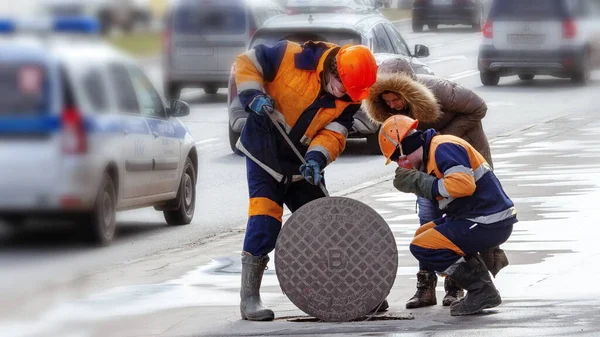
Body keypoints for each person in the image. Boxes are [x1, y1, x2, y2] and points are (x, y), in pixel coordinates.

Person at [234, 40, 378, 321]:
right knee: (265, 220)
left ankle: (351, 290)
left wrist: (317, 158)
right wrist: (253, 94)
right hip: (264, 152)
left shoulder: (349, 96)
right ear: (333, 72)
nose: (347, 95)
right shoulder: (289, 56)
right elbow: (246, 62)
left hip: (301, 161)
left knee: (325, 225)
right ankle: (249, 298)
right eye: (344, 88)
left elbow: (334, 134)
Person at [363, 56, 508, 309]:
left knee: (453, 227)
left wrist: (443, 140)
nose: (394, 105)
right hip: (430, 162)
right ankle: (426, 288)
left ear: (410, 89)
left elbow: (479, 108)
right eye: (387, 102)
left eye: (397, 99)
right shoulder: (394, 114)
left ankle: (459, 288)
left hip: (458, 161)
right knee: (428, 228)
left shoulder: (440, 91)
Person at [378, 114, 517, 316]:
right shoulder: (432, 152)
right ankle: (483, 288)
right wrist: (423, 181)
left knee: (423, 247)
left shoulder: (443, 147)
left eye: (399, 158)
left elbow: (464, 185)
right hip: (477, 217)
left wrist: (424, 183)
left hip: (487, 220)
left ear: (406, 149)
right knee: (422, 235)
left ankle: (481, 290)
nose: (401, 164)